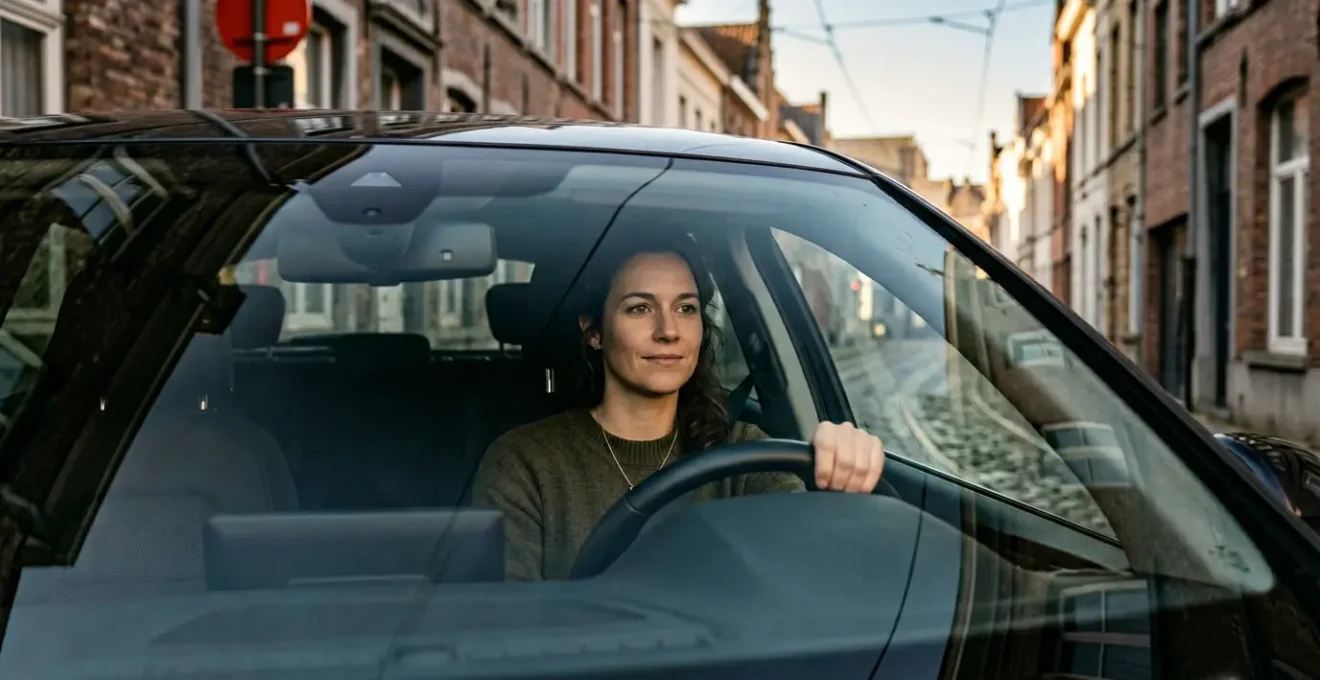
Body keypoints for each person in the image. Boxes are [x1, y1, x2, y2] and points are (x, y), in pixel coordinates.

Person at [472, 237, 886, 581]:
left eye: (686, 308)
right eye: (640, 308)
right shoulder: (524, 464)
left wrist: (840, 484)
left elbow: (811, 579)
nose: (668, 331)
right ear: (594, 330)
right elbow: (508, 628)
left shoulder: (745, 455)